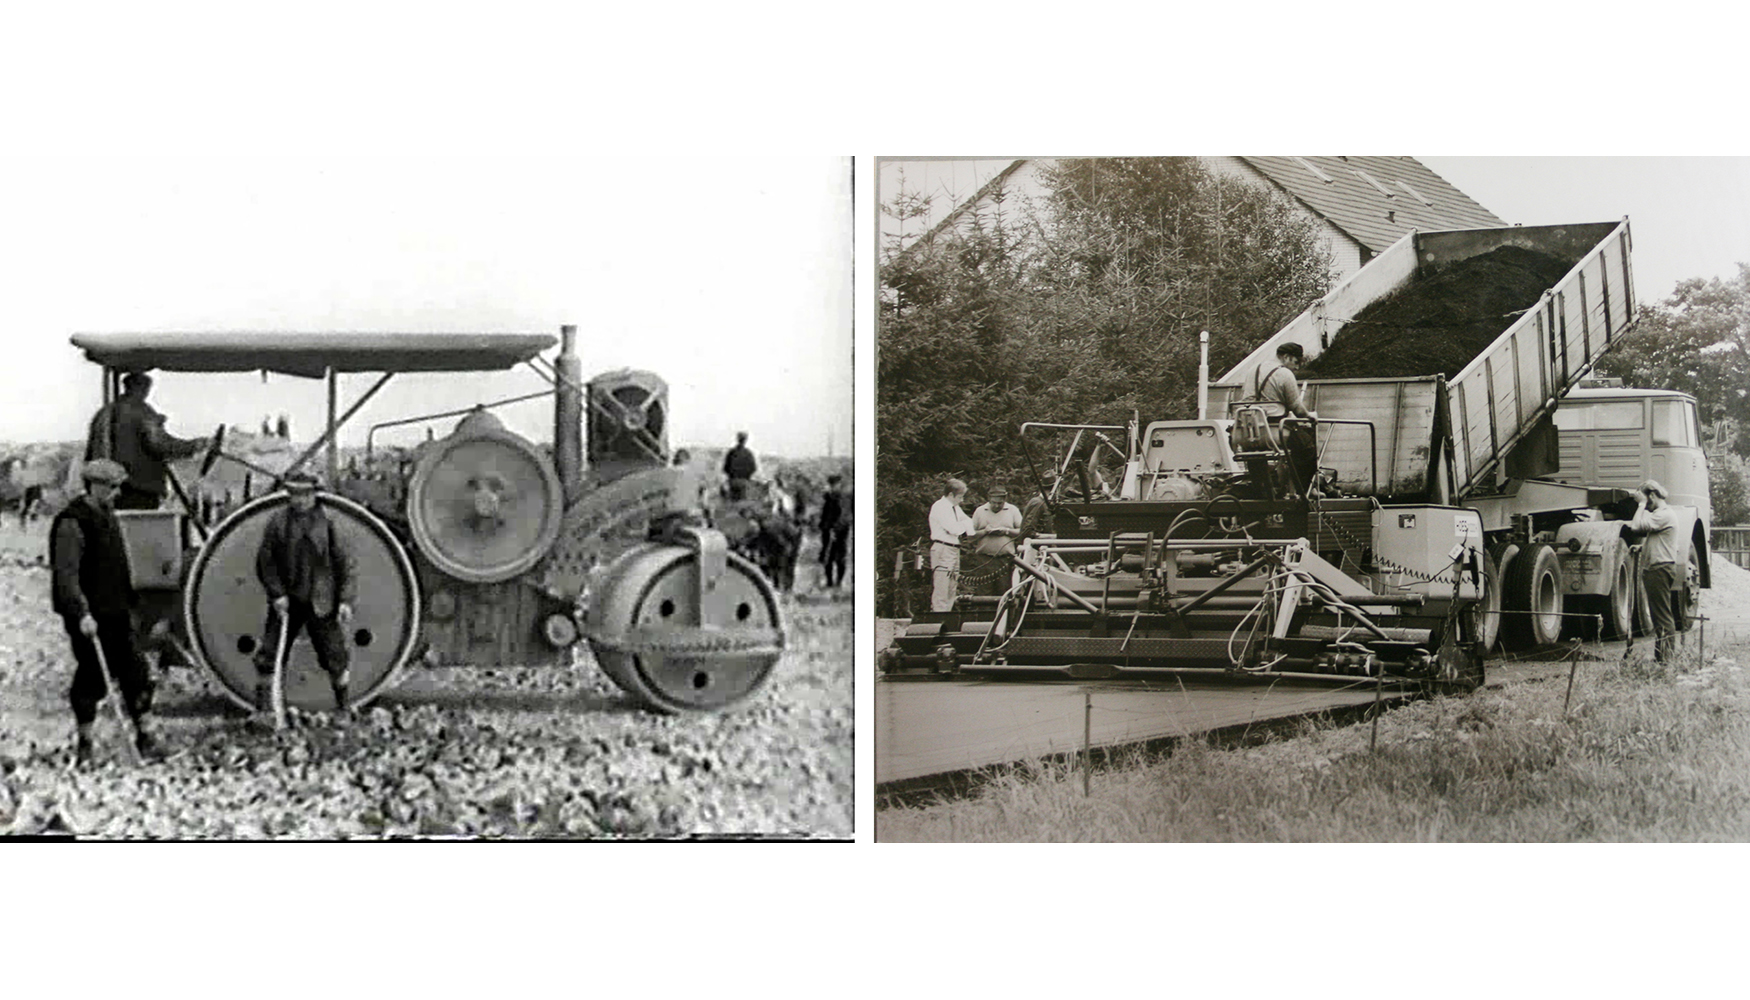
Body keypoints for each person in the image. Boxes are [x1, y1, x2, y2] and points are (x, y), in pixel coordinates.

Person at [50, 459, 163, 765]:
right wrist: (80, 612)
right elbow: (67, 574)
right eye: (113, 487)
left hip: (117, 612)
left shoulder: (108, 516)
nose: (117, 493)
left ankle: (146, 738)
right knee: (92, 679)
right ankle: (85, 745)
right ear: (96, 486)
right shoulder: (72, 522)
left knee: (136, 674)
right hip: (90, 618)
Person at [254, 472, 357, 714]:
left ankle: (344, 707)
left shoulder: (329, 523)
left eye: (304, 495)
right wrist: (277, 594)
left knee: (334, 655)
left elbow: (346, 564)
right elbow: (265, 562)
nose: (299, 500)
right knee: (269, 653)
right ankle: (263, 709)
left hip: (321, 600)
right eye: (294, 495)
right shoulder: (277, 522)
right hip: (288, 601)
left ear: (314, 495)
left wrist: (345, 600)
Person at [86, 370, 210, 511]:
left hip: (107, 487)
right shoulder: (142, 412)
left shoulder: (104, 413)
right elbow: (159, 444)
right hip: (138, 487)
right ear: (142, 388)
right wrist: (193, 446)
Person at [1243, 343, 1317, 493]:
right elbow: (1298, 409)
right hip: (1276, 433)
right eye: (1296, 362)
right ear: (1286, 357)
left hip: (1249, 433)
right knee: (1307, 449)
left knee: (1257, 454)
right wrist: (1311, 416)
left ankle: (1262, 489)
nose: (1297, 368)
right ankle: (1300, 490)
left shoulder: (1252, 370)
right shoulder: (1284, 374)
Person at [1629, 478, 1681, 664]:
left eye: (1646, 500)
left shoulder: (1663, 514)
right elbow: (1660, 542)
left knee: (1662, 616)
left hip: (1659, 569)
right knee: (1660, 615)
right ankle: (1662, 657)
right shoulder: (1663, 515)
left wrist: (1641, 505)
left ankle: (1666, 659)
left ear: (1652, 495)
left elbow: (1636, 526)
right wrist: (1641, 549)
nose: (1646, 505)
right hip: (1659, 567)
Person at [928, 478, 981, 612]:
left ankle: (948, 613)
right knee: (942, 586)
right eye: (959, 497)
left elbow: (969, 523)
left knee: (952, 586)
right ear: (951, 494)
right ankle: (939, 615)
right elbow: (954, 529)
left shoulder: (955, 508)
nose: (961, 500)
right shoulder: (940, 507)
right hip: (943, 548)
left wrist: (964, 526)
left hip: (953, 549)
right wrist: (963, 526)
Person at [968, 485, 1024, 596]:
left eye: (1000, 503)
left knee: (1004, 592)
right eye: (993, 502)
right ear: (988, 498)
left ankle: (1003, 613)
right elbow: (970, 536)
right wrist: (985, 531)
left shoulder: (1013, 510)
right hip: (984, 560)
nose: (996, 506)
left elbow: (1022, 532)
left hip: (1005, 560)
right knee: (983, 592)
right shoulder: (980, 511)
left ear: (1005, 499)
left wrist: (1006, 531)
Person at [819, 474, 850, 588]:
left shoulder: (842, 498)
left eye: (834, 485)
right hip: (827, 531)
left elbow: (844, 516)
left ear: (838, 485)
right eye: (830, 484)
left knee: (840, 557)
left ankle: (839, 582)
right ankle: (829, 582)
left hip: (839, 532)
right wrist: (823, 527)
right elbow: (824, 514)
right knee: (827, 557)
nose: (832, 487)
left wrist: (835, 529)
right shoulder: (828, 497)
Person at [723, 431, 757, 501]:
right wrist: (747, 476)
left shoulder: (731, 452)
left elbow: (725, 468)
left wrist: (731, 475)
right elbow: (753, 468)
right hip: (744, 483)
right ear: (746, 440)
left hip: (732, 482)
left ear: (737, 439)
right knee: (743, 503)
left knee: (731, 501)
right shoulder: (749, 453)